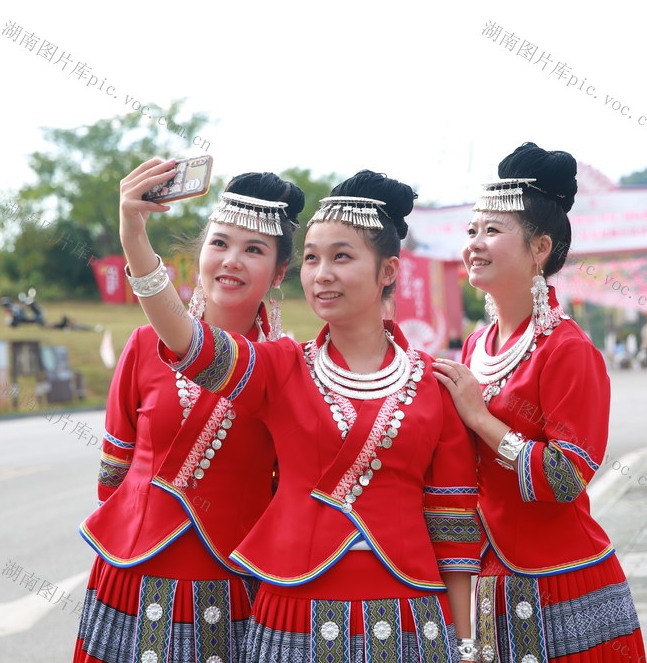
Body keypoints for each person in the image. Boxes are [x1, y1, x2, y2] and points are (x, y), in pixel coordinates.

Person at [122, 168, 481, 662]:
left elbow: (452, 526)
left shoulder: (435, 385)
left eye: (341, 257)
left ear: (388, 272)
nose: (321, 274)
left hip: (410, 618)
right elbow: (190, 343)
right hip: (292, 616)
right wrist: (134, 237)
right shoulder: (283, 366)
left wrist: (466, 644)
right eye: (311, 258)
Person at [73, 159, 305, 663]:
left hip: (231, 583)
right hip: (131, 573)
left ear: (280, 272)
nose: (231, 261)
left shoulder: (290, 367)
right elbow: (113, 473)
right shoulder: (143, 345)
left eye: (254, 250)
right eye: (219, 243)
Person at [433, 142, 646, 662]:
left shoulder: (568, 350)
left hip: (563, 583)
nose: (474, 244)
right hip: (489, 581)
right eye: (471, 231)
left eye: (492, 230)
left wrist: (480, 418)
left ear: (540, 248)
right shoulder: (476, 345)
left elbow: (567, 475)